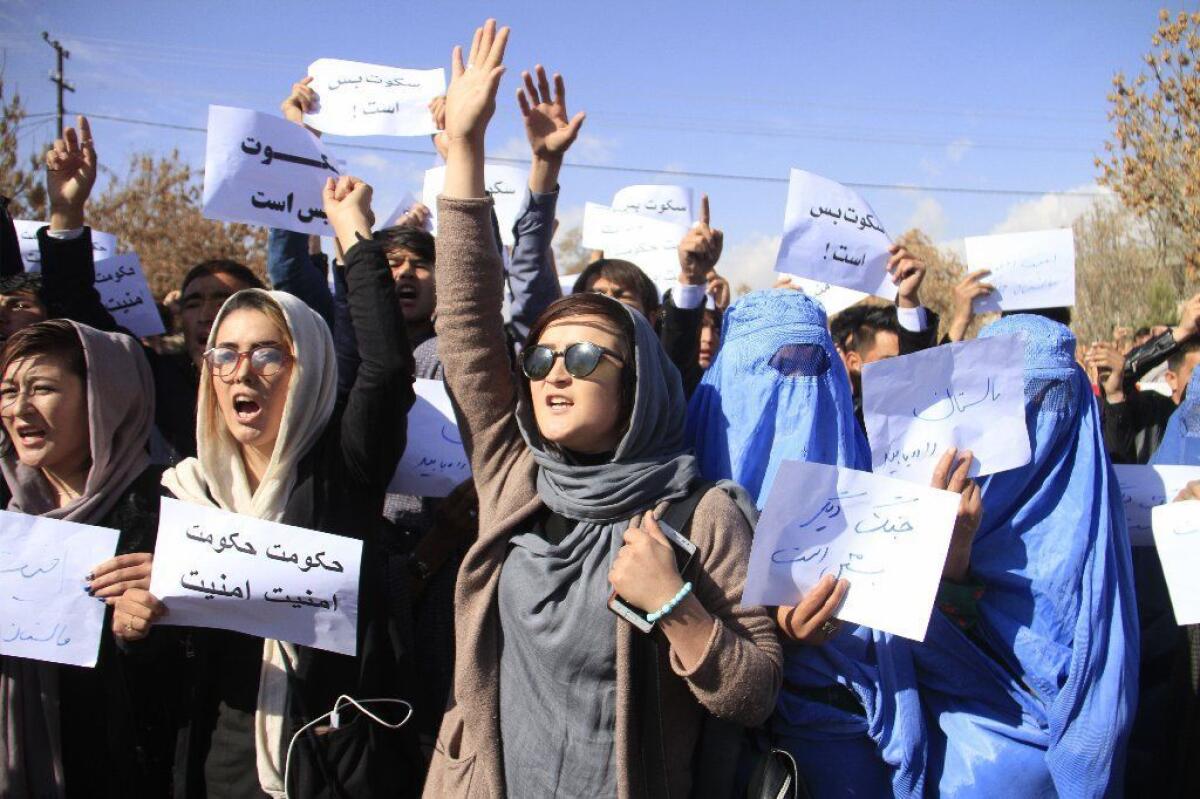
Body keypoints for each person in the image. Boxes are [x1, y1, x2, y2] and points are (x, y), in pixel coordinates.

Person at [423, 21, 781, 797]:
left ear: (639, 384)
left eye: (583, 358)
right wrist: (465, 150)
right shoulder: (516, 474)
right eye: (543, 358)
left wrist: (677, 607)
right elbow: (466, 325)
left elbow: (754, 693)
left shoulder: (700, 513)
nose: (554, 373)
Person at [114, 175, 422, 798]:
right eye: (223, 355)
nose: (240, 372)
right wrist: (133, 628)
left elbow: (386, 368)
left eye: (267, 355)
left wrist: (354, 237)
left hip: (325, 766)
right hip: (214, 767)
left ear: (306, 370)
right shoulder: (179, 494)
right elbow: (169, 665)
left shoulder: (340, 473)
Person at [685, 289, 981, 796]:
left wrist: (948, 553)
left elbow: (937, 640)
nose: (798, 390)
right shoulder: (681, 498)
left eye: (812, 365)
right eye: (774, 367)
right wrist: (773, 637)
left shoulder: (882, 480)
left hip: (857, 745)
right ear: (728, 379)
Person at [912, 314, 1137, 796]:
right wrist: (951, 551)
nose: (1034, 416)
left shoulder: (1093, 505)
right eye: (1013, 398)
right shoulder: (940, 495)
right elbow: (916, 650)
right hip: (966, 762)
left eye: (1050, 397)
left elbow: (1105, 665)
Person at [0, 319, 180, 797]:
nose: (20, 409)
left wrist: (150, 624)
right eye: (7, 391)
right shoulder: (5, 509)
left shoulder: (172, 504)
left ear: (106, 398)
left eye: (42, 389)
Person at [571, 195, 726, 396]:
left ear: (651, 317)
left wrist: (691, 276)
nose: (608, 302)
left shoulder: (660, 380)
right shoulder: (551, 366)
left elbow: (679, 345)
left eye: (621, 295)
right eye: (597, 294)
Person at [1089, 292, 1200, 464]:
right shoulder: (1154, 412)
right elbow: (1120, 381)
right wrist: (1180, 333)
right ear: (1171, 378)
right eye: (1197, 371)